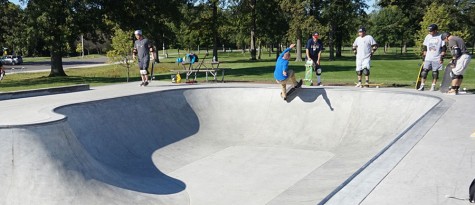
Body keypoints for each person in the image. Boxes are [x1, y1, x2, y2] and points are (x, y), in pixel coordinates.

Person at [418, 24, 446, 91]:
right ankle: (422, 86)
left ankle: (433, 86)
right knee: (424, 72)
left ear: (436, 30)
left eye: (431, 31)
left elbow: (443, 48)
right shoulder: (428, 36)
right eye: (429, 31)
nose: (430, 32)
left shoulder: (441, 36)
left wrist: (441, 57)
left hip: (436, 58)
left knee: (435, 72)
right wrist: (424, 57)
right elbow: (425, 47)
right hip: (428, 57)